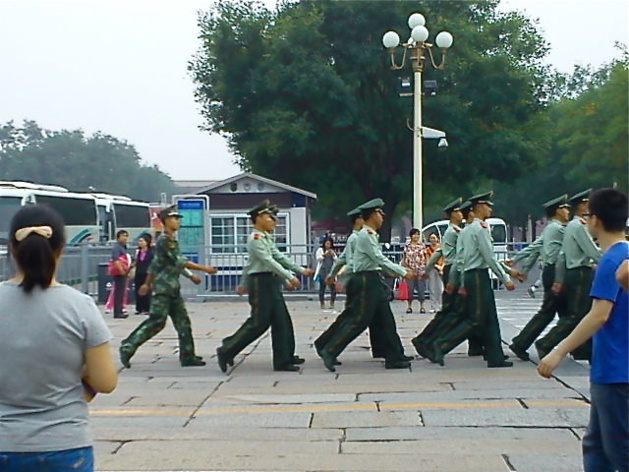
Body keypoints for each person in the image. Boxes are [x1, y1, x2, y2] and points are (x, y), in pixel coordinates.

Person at [0, 205, 117, 472]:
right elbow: (105, 382)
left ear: (12, 249)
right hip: (65, 445)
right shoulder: (80, 306)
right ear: (61, 249)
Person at [538, 188, 628, 472]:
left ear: (595, 220)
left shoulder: (612, 260)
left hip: (616, 371)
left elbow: (598, 316)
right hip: (611, 367)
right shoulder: (622, 256)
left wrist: (557, 351)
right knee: (596, 447)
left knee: (619, 451)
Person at [316, 198, 415, 372]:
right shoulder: (365, 235)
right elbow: (378, 258)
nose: (382, 216)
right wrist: (402, 271)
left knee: (385, 320)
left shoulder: (369, 235)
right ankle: (330, 350)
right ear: (371, 216)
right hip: (365, 280)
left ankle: (394, 355)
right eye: (379, 213)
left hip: (372, 279)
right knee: (358, 320)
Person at [217, 200, 314, 372]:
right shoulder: (255, 239)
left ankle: (284, 358)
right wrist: (289, 277)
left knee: (282, 321)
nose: (274, 221)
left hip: (269, 282)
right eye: (270, 217)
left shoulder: (265, 238)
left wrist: (300, 270)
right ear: (259, 218)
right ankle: (226, 350)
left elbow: (279, 257)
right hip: (261, 284)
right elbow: (268, 262)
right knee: (258, 323)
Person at [430, 192, 522, 368]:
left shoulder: (467, 230)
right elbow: (489, 257)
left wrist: (461, 281)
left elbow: (461, 259)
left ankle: (495, 356)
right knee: (476, 319)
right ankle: (442, 344)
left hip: (472, 276)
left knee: (490, 318)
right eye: (487, 205)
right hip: (478, 277)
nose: (490, 209)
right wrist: (505, 278)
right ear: (479, 207)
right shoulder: (480, 229)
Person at [119, 206, 218, 368]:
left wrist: (147, 283)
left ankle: (188, 356)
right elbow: (180, 261)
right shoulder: (165, 241)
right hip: (163, 289)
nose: (178, 221)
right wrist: (204, 269)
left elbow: (157, 265)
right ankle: (128, 346)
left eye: (178, 219)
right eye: (174, 218)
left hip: (172, 289)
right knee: (157, 321)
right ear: (165, 221)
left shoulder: (170, 241)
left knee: (183, 322)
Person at [535, 189, 603, 361]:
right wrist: (612, 256)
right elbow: (592, 252)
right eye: (587, 203)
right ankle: (546, 342)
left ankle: (583, 349)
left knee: (583, 313)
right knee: (576, 315)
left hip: (574, 272)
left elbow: (563, 255)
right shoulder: (579, 226)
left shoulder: (573, 226)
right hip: (580, 273)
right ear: (581, 206)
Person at [507, 194, 571, 361]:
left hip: (551, 271)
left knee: (566, 313)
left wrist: (520, 263)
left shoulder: (550, 228)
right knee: (555, 313)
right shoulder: (558, 229)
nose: (567, 211)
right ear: (557, 211)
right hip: (556, 271)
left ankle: (579, 347)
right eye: (564, 208)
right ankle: (523, 343)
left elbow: (535, 247)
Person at [401, 228, 427, 313]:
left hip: (420, 270)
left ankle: (422, 306)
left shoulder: (422, 246)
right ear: (411, 236)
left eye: (418, 234)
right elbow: (404, 258)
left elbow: (426, 257)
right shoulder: (407, 246)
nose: (416, 236)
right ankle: (409, 306)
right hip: (410, 270)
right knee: (410, 289)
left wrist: (426, 269)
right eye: (414, 234)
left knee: (421, 289)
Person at [131, 233, 154, 315]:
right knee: (138, 290)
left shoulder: (151, 252)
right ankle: (139, 308)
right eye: (139, 241)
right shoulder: (138, 252)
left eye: (142, 241)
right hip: (139, 272)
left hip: (147, 273)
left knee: (147, 291)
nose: (140, 243)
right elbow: (136, 261)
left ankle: (147, 308)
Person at [110, 229, 130, 318]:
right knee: (119, 292)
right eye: (123, 236)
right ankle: (117, 312)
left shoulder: (124, 247)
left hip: (123, 272)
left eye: (126, 236)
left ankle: (120, 310)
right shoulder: (117, 248)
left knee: (122, 292)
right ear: (118, 237)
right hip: (119, 273)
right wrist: (121, 270)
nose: (125, 238)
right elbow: (116, 259)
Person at [314, 238, 337, 309]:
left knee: (332, 288)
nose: (328, 245)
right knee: (322, 287)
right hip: (322, 270)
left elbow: (336, 260)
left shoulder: (332, 251)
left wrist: (333, 255)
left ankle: (332, 303)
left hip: (331, 271)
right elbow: (318, 258)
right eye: (327, 243)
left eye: (329, 244)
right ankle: (322, 303)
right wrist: (325, 255)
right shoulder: (320, 250)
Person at [424, 233, 444, 312]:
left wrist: (441, 267)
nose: (433, 239)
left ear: (437, 238)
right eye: (431, 238)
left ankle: (440, 305)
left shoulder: (441, 248)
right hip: (432, 269)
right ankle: (433, 306)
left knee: (440, 288)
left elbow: (444, 258)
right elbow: (428, 260)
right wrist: (435, 266)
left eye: (434, 237)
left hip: (441, 269)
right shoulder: (428, 250)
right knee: (432, 288)